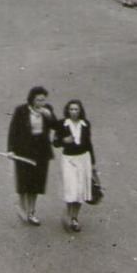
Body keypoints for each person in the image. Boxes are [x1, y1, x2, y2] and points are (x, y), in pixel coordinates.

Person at [7, 86, 57, 225]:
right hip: (23, 151)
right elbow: (13, 131)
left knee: (36, 184)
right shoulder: (21, 110)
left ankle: (31, 212)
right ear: (32, 99)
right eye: (38, 100)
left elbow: (57, 127)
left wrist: (49, 115)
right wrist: (11, 150)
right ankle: (22, 207)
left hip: (41, 151)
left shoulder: (47, 110)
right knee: (24, 181)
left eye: (43, 100)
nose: (40, 103)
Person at [53, 99, 95, 233]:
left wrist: (93, 163)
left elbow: (89, 144)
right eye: (71, 109)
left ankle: (74, 218)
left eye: (76, 109)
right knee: (71, 187)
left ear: (80, 111)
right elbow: (55, 143)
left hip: (83, 159)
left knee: (80, 189)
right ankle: (68, 212)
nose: (73, 112)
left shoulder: (85, 124)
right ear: (67, 110)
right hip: (68, 159)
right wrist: (63, 140)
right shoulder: (62, 124)